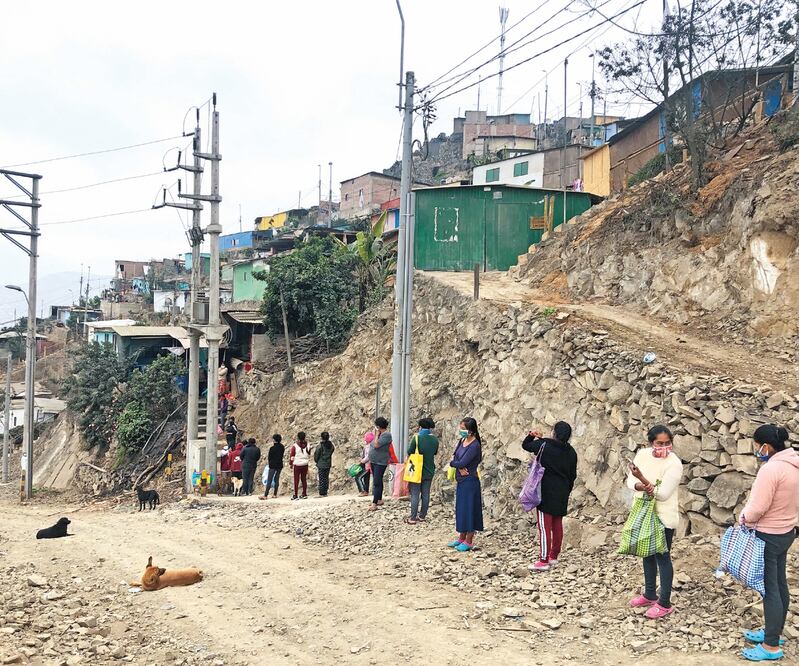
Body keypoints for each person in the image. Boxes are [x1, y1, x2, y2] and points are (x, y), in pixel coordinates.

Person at [739, 424, 799, 661]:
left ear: (766, 446)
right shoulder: (794, 465)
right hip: (786, 532)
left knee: (770, 589)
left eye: (756, 446)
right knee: (779, 584)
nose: (756, 450)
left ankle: (771, 646)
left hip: (768, 534)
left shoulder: (770, 470)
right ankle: (774, 631)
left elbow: (758, 507)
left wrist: (743, 518)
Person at [626, 425, 683, 620]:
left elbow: (663, 493)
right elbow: (628, 481)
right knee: (646, 553)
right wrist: (637, 484)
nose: (664, 447)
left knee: (662, 556)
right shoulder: (642, 455)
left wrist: (641, 480)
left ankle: (664, 602)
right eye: (660, 443)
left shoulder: (674, 464)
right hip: (642, 512)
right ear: (651, 442)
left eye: (668, 443)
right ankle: (650, 593)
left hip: (663, 516)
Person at [522, 421, 578, 571]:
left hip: (545, 492)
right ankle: (554, 556)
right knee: (556, 524)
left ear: (554, 432)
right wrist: (567, 489)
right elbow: (573, 475)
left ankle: (543, 560)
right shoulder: (571, 452)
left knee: (544, 527)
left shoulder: (543, 445)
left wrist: (531, 436)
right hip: (562, 492)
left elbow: (526, 445)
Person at [447, 417, 484, 552]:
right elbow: (456, 457)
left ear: (471, 430)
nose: (461, 431)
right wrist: (458, 465)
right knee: (461, 509)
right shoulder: (462, 440)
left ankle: (469, 540)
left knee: (470, 509)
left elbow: (461, 462)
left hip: (470, 481)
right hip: (461, 481)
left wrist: (456, 464)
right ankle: (461, 537)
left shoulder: (475, 445)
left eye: (463, 428)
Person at [406, 417, 439, 525]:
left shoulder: (416, 438)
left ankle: (412, 518)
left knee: (415, 493)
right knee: (426, 494)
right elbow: (435, 452)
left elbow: (410, 451)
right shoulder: (434, 439)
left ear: (420, 426)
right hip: (429, 470)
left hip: (416, 470)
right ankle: (422, 516)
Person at [368, 417, 392, 511]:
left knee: (377, 482)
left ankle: (374, 503)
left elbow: (377, 445)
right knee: (377, 480)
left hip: (380, 462)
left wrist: (377, 435)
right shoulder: (380, 434)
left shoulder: (386, 435)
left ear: (378, 427)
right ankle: (379, 499)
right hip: (374, 461)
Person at [260, 434, 285, 500]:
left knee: (269, 480)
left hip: (272, 465)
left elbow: (269, 458)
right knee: (276, 479)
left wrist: (270, 463)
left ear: (274, 440)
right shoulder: (282, 447)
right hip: (279, 465)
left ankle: (265, 495)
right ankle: (275, 494)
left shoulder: (272, 448)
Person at [289, 432, 311, 500]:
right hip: (305, 464)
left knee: (296, 480)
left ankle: (295, 494)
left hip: (297, 464)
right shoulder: (308, 445)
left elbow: (292, 456)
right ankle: (304, 493)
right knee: (304, 479)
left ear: (298, 437)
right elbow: (309, 453)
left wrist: (290, 464)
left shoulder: (295, 446)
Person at [314, 432, 335, 497]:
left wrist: (317, 461)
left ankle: (322, 493)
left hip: (321, 464)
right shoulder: (331, 445)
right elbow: (332, 451)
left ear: (321, 437)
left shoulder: (320, 446)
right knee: (326, 478)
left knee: (321, 478)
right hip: (328, 463)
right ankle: (325, 492)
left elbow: (316, 455)